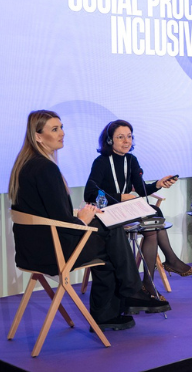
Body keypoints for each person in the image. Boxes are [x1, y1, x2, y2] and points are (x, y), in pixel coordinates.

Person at [9, 110, 170, 332]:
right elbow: (61, 218)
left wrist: (82, 216)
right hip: (52, 251)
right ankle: (132, 292)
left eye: (61, 127)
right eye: (55, 129)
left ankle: (111, 310)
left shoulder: (27, 164)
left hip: (32, 249)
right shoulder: (46, 168)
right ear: (38, 136)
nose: (62, 133)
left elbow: (51, 212)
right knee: (111, 234)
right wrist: (83, 221)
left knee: (108, 235)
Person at [84, 119, 192, 299]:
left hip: (126, 211)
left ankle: (149, 281)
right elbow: (89, 193)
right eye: (120, 137)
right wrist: (120, 197)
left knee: (153, 220)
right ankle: (167, 264)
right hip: (109, 212)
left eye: (129, 136)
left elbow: (141, 189)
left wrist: (158, 184)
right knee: (153, 220)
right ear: (109, 140)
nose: (126, 141)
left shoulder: (131, 160)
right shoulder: (101, 162)